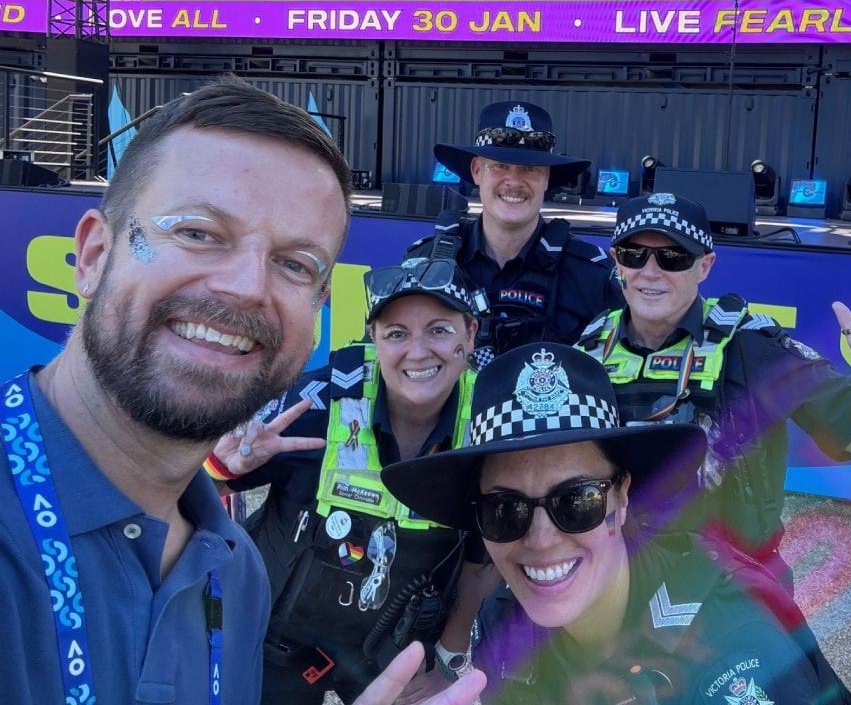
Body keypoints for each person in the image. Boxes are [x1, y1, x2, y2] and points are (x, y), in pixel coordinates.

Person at [0, 77, 484, 705]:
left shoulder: (235, 572)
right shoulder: (328, 404)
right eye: (200, 232)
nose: (246, 287)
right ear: (93, 254)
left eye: (295, 263)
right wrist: (228, 464)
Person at [382, 343, 851, 705]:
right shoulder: (506, 619)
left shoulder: (735, 653)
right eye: (505, 510)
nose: (541, 540)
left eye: (578, 502)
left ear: (622, 496)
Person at [576, 192, 851, 585]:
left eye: (673, 258)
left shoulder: (752, 346)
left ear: (705, 266)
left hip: (730, 584)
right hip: (614, 578)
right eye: (634, 254)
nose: (650, 271)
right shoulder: (587, 347)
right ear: (616, 260)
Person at [215, 238, 496, 703]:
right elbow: (211, 484)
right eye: (397, 333)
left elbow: (484, 561)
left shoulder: (489, 419)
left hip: (392, 655)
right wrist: (222, 464)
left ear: (470, 334)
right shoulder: (321, 399)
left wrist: (447, 657)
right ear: (374, 338)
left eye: (440, 331)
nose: (419, 352)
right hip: (270, 645)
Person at [433, 100, 623, 367]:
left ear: (546, 177)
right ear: (477, 171)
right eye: (499, 166)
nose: (514, 181)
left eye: (530, 169)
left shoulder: (592, 276)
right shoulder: (430, 263)